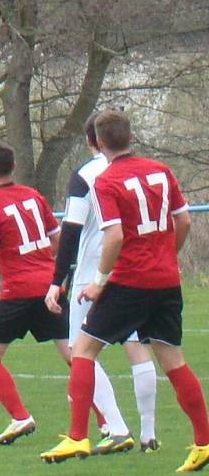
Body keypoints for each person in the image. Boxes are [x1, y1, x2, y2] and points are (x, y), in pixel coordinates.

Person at [40, 109, 209, 473]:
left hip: (130, 281)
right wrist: (166, 255)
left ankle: (77, 436)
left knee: (82, 350)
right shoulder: (161, 171)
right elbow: (184, 220)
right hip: (166, 281)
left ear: (99, 142)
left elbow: (113, 235)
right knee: (173, 361)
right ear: (130, 136)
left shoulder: (106, 180)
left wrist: (99, 280)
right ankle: (203, 442)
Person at [44, 113, 158, 455]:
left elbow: (72, 231)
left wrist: (56, 281)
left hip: (95, 272)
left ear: (92, 141)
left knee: (82, 351)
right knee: (137, 346)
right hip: (136, 269)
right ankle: (149, 433)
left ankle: (115, 427)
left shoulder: (85, 175)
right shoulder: (151, 170)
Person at [0, 143, 71, 445]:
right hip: (49, 287)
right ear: (14, 165)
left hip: (18, 293)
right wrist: (53, 274)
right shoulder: (34, 196)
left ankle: (20, 417)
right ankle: (109, 425)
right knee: (77, 356)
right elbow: (57, 241)